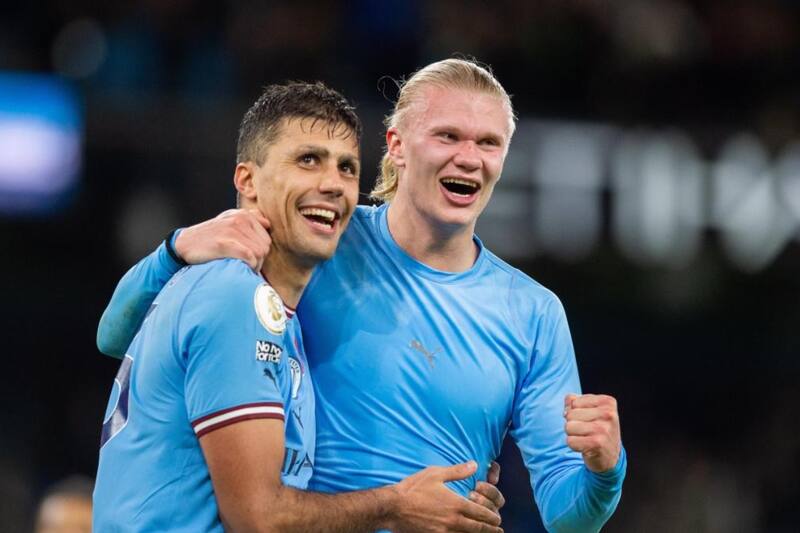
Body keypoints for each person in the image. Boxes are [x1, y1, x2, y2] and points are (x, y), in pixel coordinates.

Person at [98, 59, 627, 532]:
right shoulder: (319, 235)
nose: (469, 158)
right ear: (396, 145)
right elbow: (122, 336)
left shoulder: (532, 315)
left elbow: (568, 516)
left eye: (488, 143)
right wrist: (174, 250)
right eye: (447, 136)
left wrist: (605, 471)